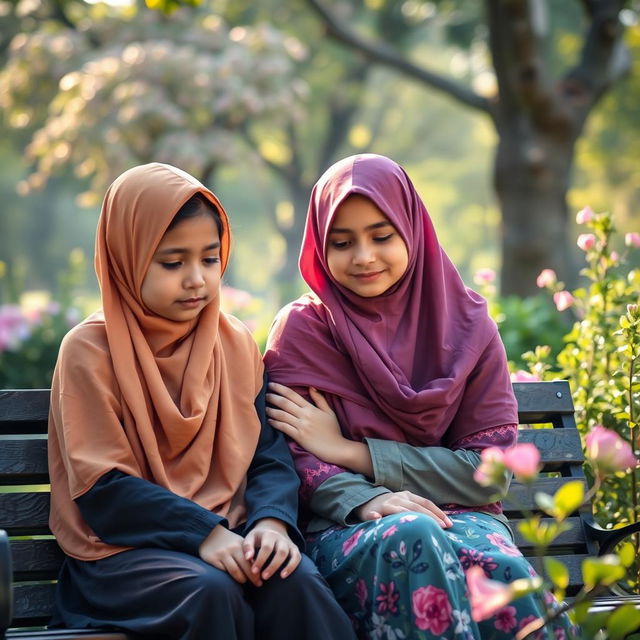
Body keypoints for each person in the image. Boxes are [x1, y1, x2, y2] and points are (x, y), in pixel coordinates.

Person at [263, 154, 577, 639]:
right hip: (346, 526)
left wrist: (353, 452)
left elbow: (487, 472)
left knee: (502, 575)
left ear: (412, 229)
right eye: (342, 243)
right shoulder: (306, 329)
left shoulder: (469, 326)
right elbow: (295, 457)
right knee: (412, 536)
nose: (364, 256)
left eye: (381, 236)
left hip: (463, 521)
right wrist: (368, 500)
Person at [47, 162, 356, 640]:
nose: (196, 280)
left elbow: (268, 456)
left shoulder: (231, 342)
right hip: (124, 556)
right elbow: (102, 489)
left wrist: (272, 525)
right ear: (126, 258)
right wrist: (203, 533)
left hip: (230, 540)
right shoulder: (90, 350)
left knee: (293, 583)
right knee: (212, 591)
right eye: (173, 263)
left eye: (209, 260)